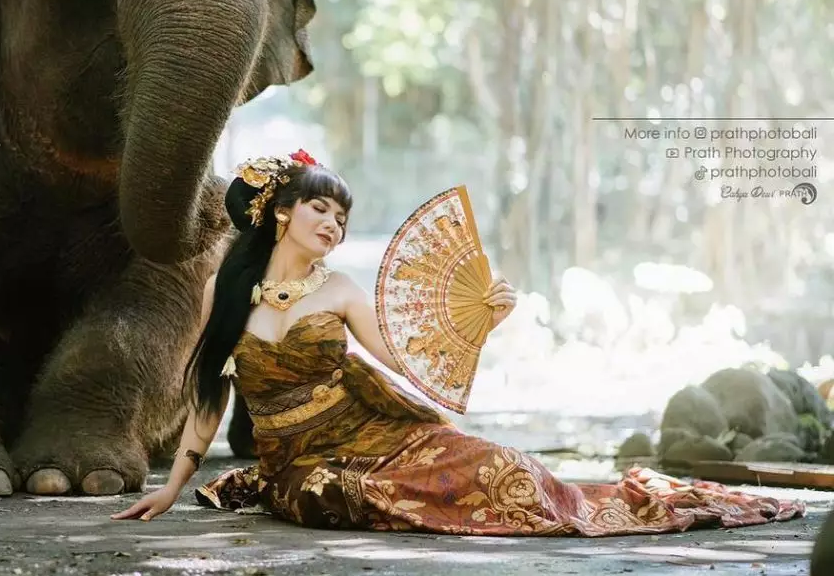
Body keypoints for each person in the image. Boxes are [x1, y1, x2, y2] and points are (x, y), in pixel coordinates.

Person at [111, 150, 806, 534]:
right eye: (321, 207)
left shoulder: (343, 291)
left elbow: (410, 360)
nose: (333, 223)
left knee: (510, 472)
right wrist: (172, 487)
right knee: (347, 496)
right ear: (284, 211)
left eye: (343, 216)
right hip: (302, 466)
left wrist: (480, 320)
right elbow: (210, 395)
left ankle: (633, 500)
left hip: (382, 433)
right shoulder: (225, 292)